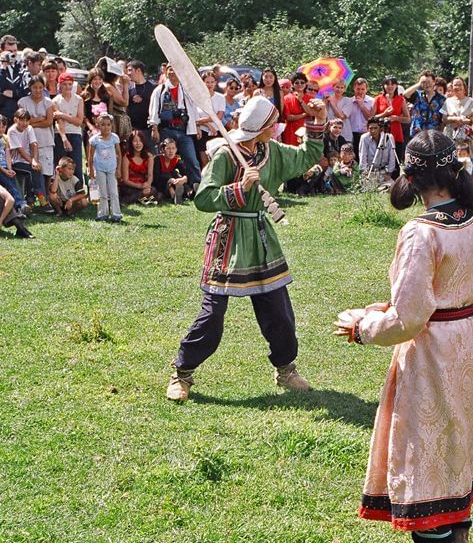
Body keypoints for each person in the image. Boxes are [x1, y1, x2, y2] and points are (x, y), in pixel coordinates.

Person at [335, 129, 473, 543]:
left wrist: (362, 327)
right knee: (456, 439)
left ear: (411, 175)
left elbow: (409, 317)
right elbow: (436, 293)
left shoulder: (421, 233)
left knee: (424, 445)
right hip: (469, 341)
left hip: (435, 350)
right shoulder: (472, 218)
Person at [166, 95, 327, 402]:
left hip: (262, 240)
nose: (278, 125)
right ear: (262, 126)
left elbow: (306, 157)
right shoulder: (226, 156)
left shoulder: (273, 151)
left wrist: (318, 122)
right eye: (273, 121)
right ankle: (182, 373)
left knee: (278, 313)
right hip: (229, 242)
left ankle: (286, 370)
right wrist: (240, 188)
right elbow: (203, 197)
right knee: (212, 315)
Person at [148, 65, 202, 188]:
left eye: (175, 69)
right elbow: (154, 110)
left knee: (191, 160)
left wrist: (196, 126)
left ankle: (196, 185)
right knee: (165, 160)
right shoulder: (160, 90)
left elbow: (193, 110)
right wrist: (154, 128)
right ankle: (167, 188)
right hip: (167, 129)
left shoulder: (186, 90)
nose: (172, 72)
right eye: (170, 69)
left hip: (183, 130)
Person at [20, 76, 56, 209]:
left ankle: (45, 199)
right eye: (35, 87)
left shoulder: (48, 102)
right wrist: (39, 119)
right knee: (32, 170)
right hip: (28, 141)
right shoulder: (23, 102)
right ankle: (30, 198)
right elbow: (23, 121)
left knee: (46, 171)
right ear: (30, 87)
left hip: (46, 140)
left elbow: (49, 121)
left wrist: (32, 121)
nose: (38, 90)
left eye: (40, 87)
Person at [88, 114, 123, 223]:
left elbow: (119, 154)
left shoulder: (114, 138)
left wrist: (118, 169)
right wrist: (91, 169)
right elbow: (90, 156)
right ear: (98, 125)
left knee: (113, 192)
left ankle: (116, 213)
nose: (106, 127)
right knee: (102, 192)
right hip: (100, 168)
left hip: (112, 168)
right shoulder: (94, 140)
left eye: (108, 125)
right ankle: (102, 213)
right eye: (103, 125)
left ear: (112, 126)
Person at [7, 109, 42, 210]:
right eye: (22, 120)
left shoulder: (29, 128)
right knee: (32, 171)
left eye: (27, 120)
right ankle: (37, 197)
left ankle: (32, 199)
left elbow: (34, 144)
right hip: (15, 162)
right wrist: (33, 162)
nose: (25, 123)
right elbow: (20, 150)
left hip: (27, 160)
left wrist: (35, 160)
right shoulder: (12, 131)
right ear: (15, 120)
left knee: (36, 169)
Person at [372, 76, 409, 162]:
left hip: (396, 133)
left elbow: (408, 119)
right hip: (380, 133)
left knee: (395, 160)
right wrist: (384, 114)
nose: (390, 86)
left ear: (396, 86)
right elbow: (371, 118)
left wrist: (396, 118)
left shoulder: (401, 99)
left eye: (392, 84)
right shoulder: (378, 99)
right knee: (380, 159)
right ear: (383, 86)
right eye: (387, 84)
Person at [358, 118, 397, 191]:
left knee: (392, 188)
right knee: (368, 189)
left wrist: (389, 173)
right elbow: (362, 156)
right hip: (370, 171)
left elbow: (392, 157)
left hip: (383, 172)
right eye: (370, 128)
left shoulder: (388, 137)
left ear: (380, 128)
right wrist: (364, 173)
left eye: (375, 128)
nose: (373, 131)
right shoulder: (364, 138)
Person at [119, 129, 156, 205]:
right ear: (131, 142)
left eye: (140, 141)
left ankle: (138, 198)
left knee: (154, 191)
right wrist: (140, 186)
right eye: (135, 141)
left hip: (144, 184)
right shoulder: (127, 156)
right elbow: (125, 180)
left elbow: (150, 175)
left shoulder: (149, 156)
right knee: (132, 191)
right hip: (130, 185)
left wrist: (147, 185)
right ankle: (138, 198)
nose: (138, 143)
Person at [405, 70, 444, 137]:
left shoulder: (441, 99)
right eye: (424, 82)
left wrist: (441, 133)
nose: (427, 84)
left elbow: (443, 119)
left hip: (433, 135)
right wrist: (419, 83)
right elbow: (405, 94)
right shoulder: (417, 95)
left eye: (429, 82)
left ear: (434, 82)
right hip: (417, 134)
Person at [154, 137, 190, 203]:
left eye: (173, 148)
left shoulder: (177, 160)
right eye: (168, 148)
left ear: (176, 150)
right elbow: (156, 177)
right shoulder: (157, 159)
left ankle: (188, 193)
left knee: (176, 175)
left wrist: (182, 179)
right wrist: (170, 180)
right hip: (160, 184)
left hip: (174, 183)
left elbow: (186, 174)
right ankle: (174, 195)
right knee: (169, 175)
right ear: (163, 149)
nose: (171, 151)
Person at [442, 77, 473, 144]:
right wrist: (454, 118)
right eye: (455, 85)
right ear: (452, 87)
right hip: (450, 134)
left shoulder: (472, 101)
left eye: (460, 85)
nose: (457, 87)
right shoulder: (448, 101)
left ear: (464, 86)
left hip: (465, 136)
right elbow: (444, 119)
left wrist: (465, 121)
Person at [126, 61, 155, 133]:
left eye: (130, 70)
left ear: (138, 70)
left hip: (149, 129)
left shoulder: (153, 88)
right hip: (133, 130)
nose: (128, 73)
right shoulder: (129, 89)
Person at [349, 77, 374, 151]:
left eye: (362, 89)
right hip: (352, 133)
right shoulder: (349, 101)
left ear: (366, 89)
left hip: (366, 132)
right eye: (358, 89)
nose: (360, 91)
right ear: (354, 88)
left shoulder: (372, 101)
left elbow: (371, 118)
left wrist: (362, 106)